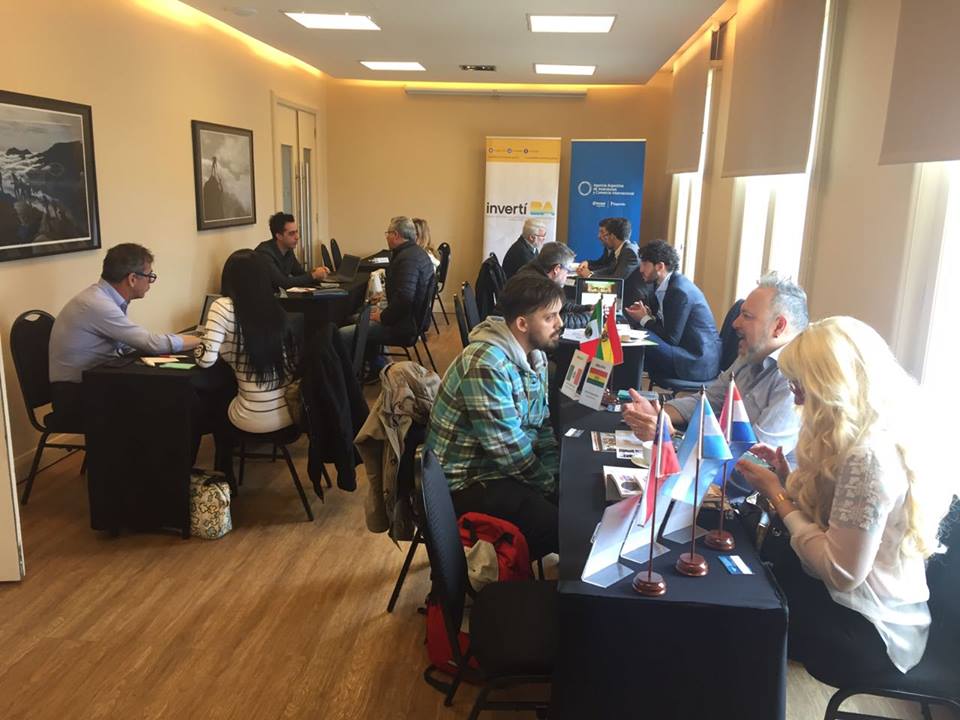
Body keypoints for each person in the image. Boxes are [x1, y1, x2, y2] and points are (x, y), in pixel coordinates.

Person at [735, 316, 955, 676]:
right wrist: (787, 482)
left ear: (831, 386)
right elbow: (836, 522)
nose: (794, 394)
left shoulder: (870, 457)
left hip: (866, 628)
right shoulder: (864, 436)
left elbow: (840, 572)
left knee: (742, 609)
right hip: (855, 602)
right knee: (743, 579)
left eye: (798, 383)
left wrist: (777, 494)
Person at [426, 274, 564, 559]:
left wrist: (555, 476)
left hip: (498, 468)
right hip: (467, 482)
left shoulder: (534, 357)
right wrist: (549, 487)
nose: (560, 324)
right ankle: (508, 576)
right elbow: (508, 450)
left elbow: (542, 424)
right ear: (522, 324)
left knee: (571, 507)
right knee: (562, 528)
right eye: (550, 317)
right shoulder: (486, 364)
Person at [623, 273, 808, 455]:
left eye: (747, 316)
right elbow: (708, 402)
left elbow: (755, 458)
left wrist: (672, 437)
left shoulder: (794, 381)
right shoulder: (751, 354)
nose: (735, 323)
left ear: (778, 326)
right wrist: (658, 413)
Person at [48, 243, 201, 428]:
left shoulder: (103, 298)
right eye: (150, 276)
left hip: (97, 381)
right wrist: (202, 339)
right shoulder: (97, 304)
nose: (150, 282)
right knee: (168, 398)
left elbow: (130, 344)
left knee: (171, 391)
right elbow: (152, 344)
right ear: (132, 279)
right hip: (76, 395)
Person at [195, 249, 298, 435]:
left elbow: (205, 360)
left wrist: (202, 342)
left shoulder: (222, 306)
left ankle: (224, 452)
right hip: (290, 415)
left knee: (211, 391)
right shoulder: (274, 306)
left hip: (250, 419)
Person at [340, 216, 434, 380]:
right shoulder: (417, 253)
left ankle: (347, 381)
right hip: (411, 321)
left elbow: (405, 298)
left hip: (403, 327)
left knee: (342, 333)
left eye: (388, 233)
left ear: (396, 235)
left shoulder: (407, 259)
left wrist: (383, 317)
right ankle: (375, 365)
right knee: (358, 316)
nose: (386, 237)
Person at [625, 239, 720, 382]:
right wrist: (650, 317)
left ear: (660, 266)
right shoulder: (662, 285)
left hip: (696, 361)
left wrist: (644, 319)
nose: (641, 270)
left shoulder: (679, 291)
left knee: (641, 337)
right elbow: (667, 327)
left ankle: (625, 386)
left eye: (644, 264)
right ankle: (626, 385)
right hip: (684, 351)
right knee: (636, 340)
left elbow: (671, 339)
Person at [513, 241, 593, 329]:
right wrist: (590, 317)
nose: (567, 275)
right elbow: (554, 321)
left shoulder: (534, 270)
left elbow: (558, 304)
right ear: (557, 269)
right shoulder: (537, 286)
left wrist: (586, 308)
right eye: (567, 271)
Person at [255, 211, 329, 290]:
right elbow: (282, 283)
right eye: (291, 233)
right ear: (279, 236)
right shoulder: (264, 254)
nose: (297, 237)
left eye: (296, 232)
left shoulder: (288, 249)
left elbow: (300, 274)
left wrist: (318, 274)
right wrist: (313, 275)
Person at [575, 217, 639, 280]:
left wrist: (590, 275)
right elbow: (610, 269)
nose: (599, 236)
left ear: (612, 236)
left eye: (603, 232)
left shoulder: (629, 252)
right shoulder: (622, 249)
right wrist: (590, 273)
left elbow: (617, 279)